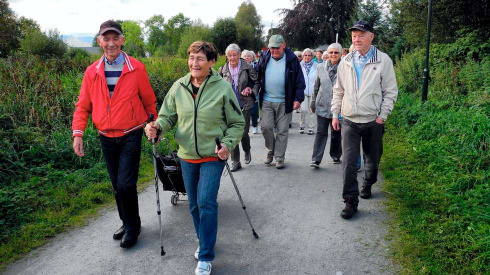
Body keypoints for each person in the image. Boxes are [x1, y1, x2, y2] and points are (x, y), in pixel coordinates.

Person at [145, 41, 244, 275]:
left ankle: (206, 256)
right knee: (193, 205)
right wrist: (157, 127)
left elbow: (237, 122)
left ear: (211, 62)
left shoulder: (222, 88)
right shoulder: (179, 86)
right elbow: (168, 117)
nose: (194, 63)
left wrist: (227, 145)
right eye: (191, 57)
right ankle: (206, 240)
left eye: (200, 58)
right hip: (187, 155)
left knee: (206, 202)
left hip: (213, 155)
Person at [72, 20, 157, 248]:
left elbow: (149, 100)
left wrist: (153, 126)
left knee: (125, 184)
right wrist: (77, 134)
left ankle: (133, 227)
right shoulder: (92, 72)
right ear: (99, 41)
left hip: (131, 132)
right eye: (106, 39)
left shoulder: (136, 68)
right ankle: (127, 221)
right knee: (115, 184)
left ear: (122, 40)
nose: (111, 43)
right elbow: (82, 106)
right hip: (105, 135)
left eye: (115, 38)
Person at [331, 21, 398, 219]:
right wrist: (336, 113)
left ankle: (368, 182)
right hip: (350, 120)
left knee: (372, 160)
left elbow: (390, 91)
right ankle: (350, 201)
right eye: (354, 35)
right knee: (349, 162)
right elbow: (338, 90)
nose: (357, 39)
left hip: (372, 120)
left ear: (371, 37)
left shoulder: (383, 61)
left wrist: (382, 116)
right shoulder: (346, 61)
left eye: (361, 35)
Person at [256, 34, 305, 169]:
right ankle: (270, 150)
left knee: (282, 130)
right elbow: (256, 74)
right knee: (265, 127)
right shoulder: (265, 58)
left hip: (285, 101)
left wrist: (297, 99)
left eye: (277, 48)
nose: (274, 51)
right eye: (271, 48)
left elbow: (299, 81)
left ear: (283, 45)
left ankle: (279, 157)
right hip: (266, 100)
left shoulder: (292, 60)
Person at [219, 44, 260, 172]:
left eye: (235, 55)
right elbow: (216, 86)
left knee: (243, 132)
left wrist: (250, 90)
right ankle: (235, 161)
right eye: (230, 55)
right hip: (229, 106)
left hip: (245, 104)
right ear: (227, 56)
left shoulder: (247, 67)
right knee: (231, 133)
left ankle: (247, 150)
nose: (232, 57)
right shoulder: (222, 70)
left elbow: (257, 82)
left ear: (239, 54)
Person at [310, 43, 343, 168]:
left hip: (339, 106)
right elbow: (316, 87)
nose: (333, 55)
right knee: (321, 132)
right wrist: (313, 102)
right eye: (331, 52)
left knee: (336, 133)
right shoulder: (320, 67)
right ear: (327, 54)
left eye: (336, 52)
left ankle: (335, 155)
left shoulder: (345, 67)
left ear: (340, 54)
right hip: (322, 104)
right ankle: (316, 159)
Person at [299, 48, 318, 135]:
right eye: (305, 55)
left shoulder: (317, 66)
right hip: (303, 91)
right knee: (303, 109)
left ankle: (311, 127)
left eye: (309, 55)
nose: (307, 57)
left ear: (312, 56)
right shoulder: (299, 66)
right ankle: (302, 125)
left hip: (313, 92)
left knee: (311, 110)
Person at [241, 50, 260, 134]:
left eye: (248, 56)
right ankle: (246, 129)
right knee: (245, 113)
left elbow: (257, 80)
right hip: (242, 95)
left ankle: (255, 125)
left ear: (252, 58)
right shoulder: (239, 67)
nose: (246, 57)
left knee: (254, 112)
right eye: (244, 56)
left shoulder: (255, 67)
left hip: (252, 94)